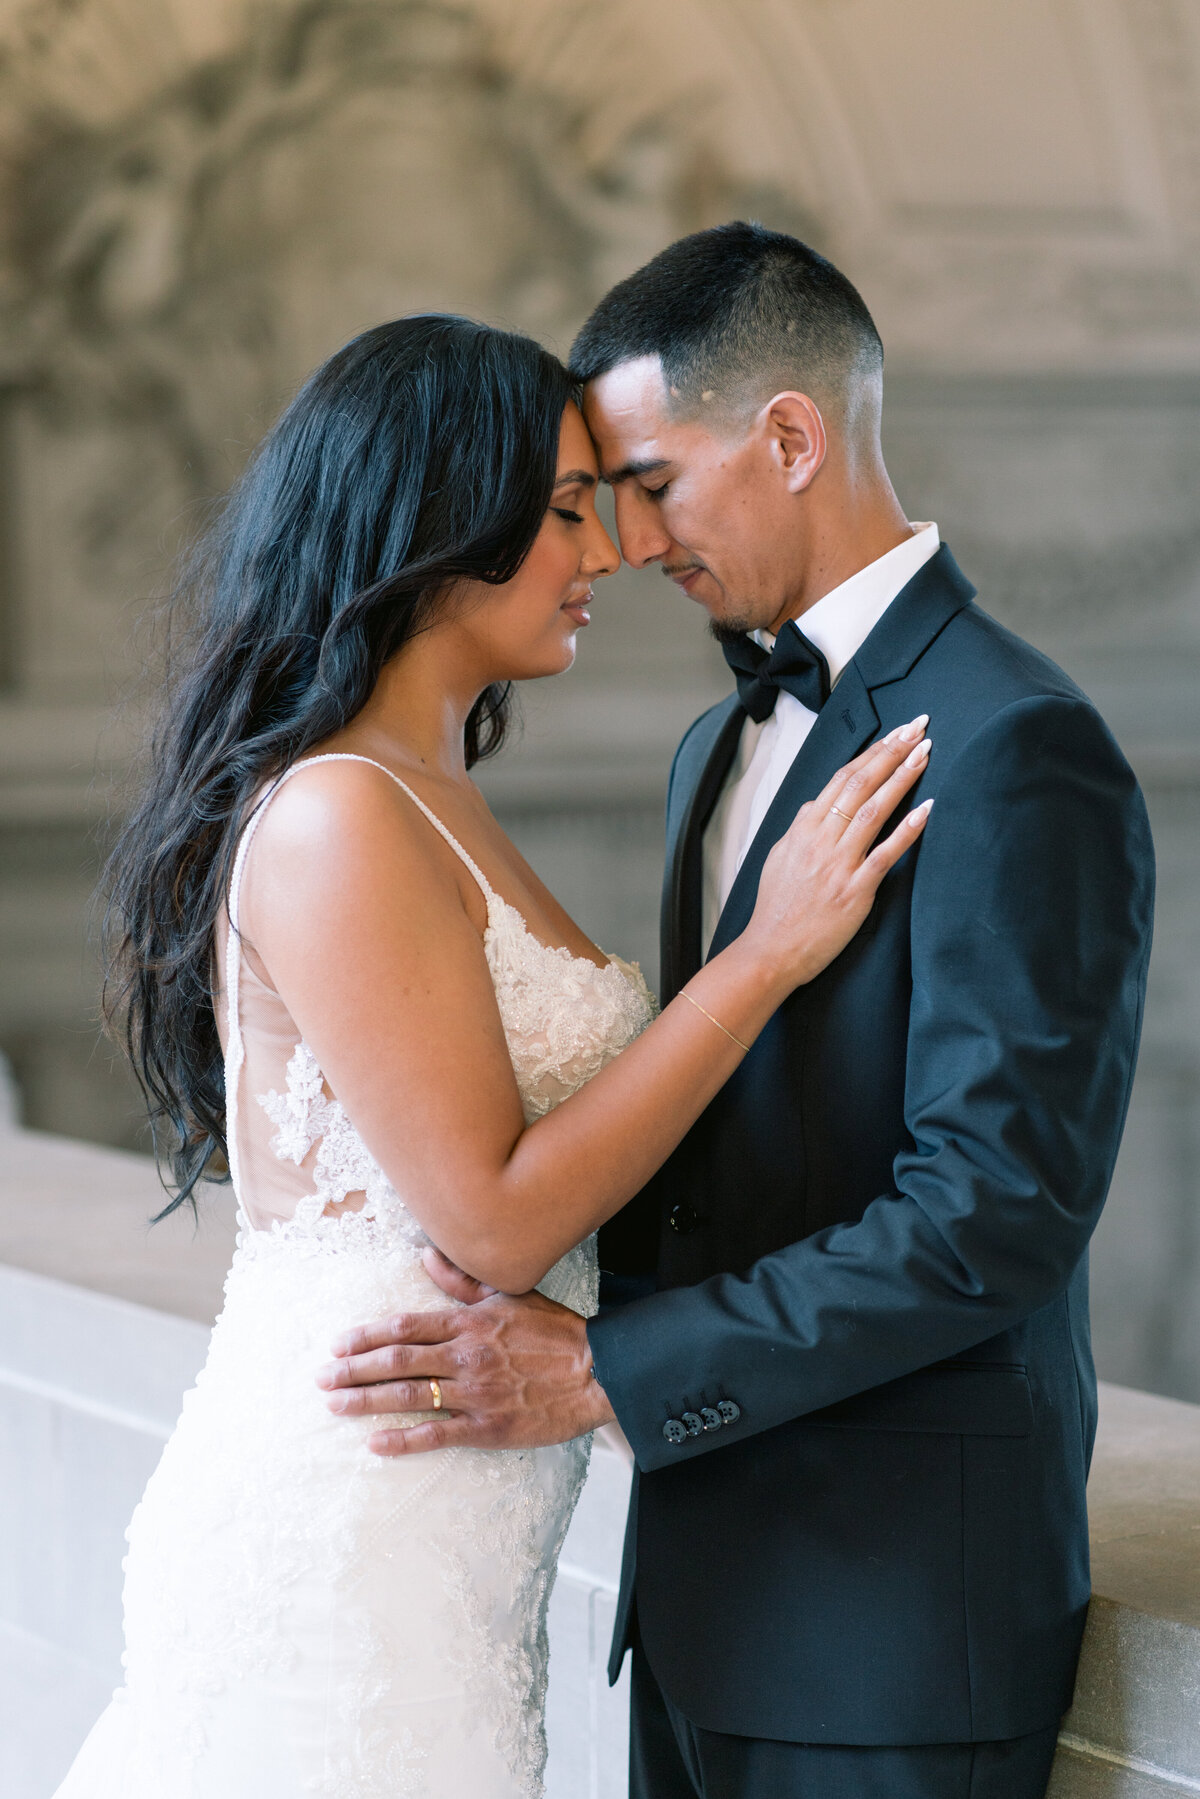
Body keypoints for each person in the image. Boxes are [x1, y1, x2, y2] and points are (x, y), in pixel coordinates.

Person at [321, 226, 1156, 1799]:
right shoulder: (716, 744)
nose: (628, 544)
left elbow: (993, 1214)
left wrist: (602, 1372)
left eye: (647, 481)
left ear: (789, 436)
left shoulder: (1016, 742)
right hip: (696, 1599)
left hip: (899, 1621)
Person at [54, 311, 930, 1799]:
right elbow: (498, 1215)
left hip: (453, 1557)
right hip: (347, 1546)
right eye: (570, 510)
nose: (608, 555)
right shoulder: (339, 812)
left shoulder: (437, 786)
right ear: (439, 519)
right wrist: (766, 957)